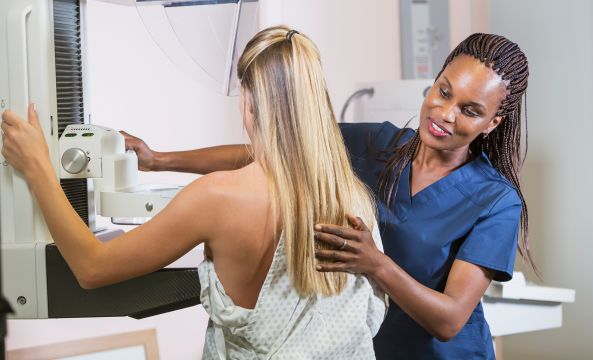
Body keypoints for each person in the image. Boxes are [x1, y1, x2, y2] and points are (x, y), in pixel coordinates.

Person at [122, 33, 534, 359]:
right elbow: (272, 153)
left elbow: (449, 321)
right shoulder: (378, 144)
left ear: (493, 122)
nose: (445, 114)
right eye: (444, 92)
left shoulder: (495, 199)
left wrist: (376, 264)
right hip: (370, 349)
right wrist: (158, 159)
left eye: (470, 110)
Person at [0, 26, 386, 359]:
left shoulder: (217, 199)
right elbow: (272, 162)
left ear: (248, 99)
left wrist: (38, 169)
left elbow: (92, 268)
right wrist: (159, 159)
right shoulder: (352, 199)